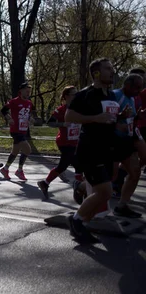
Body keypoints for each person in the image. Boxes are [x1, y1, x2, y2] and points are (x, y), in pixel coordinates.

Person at [65, 57, 120, 244]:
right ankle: (76, 221)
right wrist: (95, 118)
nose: (112, 71)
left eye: (112, 68)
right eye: (108, 68)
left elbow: (109, 119)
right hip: (90, 149)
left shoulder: (111, 95)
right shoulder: (85, 94)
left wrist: (121, 116)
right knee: (105, 192)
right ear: (97, 73)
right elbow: (69, 116)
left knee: (103, 189)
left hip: (107, 148)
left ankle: (82, 220)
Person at [37, 86, 83, 200]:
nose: (76, 96)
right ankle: (78, 188)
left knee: (74, 165)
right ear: (66, 96)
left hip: (75, 141)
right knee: (70, 165)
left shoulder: (79, 108)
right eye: (73, 94)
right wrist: (63, 124)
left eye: (77, 94)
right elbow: (50, 122)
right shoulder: (61, 110)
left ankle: (46, 183)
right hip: (64, 142)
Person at [108, 74, 144, 218]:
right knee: (110, 176)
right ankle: (80, 187)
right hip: (113, 141)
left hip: (126, 141)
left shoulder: (132, 98)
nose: (139, 90)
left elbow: (129, 118)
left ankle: (122, 205)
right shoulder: (115, 95)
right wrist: (119, 120)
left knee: (135, 173)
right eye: (137, 87)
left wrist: (137, 117)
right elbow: (106, 117)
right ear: (128, 85)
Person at [0, 83, 35, 181]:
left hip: (23, 130)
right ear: (21, 91)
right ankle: (19, 170)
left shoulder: (29, 103)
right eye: (26, 91)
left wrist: (30, 119)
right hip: (15, 130)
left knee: (15, 152)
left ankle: (5, 169)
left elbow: (28, 114)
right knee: (27, 150)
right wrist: (9, 118)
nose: (28, 93)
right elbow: (3, 110)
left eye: (29, 91)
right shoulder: (14, 101)